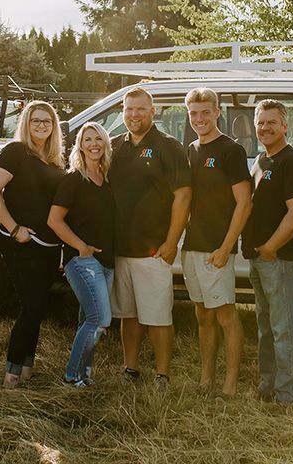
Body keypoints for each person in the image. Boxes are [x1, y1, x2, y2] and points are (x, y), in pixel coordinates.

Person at [108, 87, 191, 386]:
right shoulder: (115, 146)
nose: (134, 115)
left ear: (153, 111)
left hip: (155, 250)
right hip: (121, 249)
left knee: (158, 317)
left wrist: (172, 242)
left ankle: (162, 374)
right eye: (129, 109)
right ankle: (130, 368)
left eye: (141, 109)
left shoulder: (168, 146)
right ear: (123, 111)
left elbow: (183, 196)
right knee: (128, 316)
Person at [0, 101, 66, 387]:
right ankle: (11, 375)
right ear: (26, 124)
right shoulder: (16, 151)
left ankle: (27, 366)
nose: (41, 125)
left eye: (47, 121)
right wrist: (14, 227)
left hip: (50, 245)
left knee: (39, 306)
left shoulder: (54, 160)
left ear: (54, 126)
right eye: (35, 120)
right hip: (22, 242)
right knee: (30, 306)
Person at [181, 87, 251, 398]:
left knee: (225, 314)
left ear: (217, 112)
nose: (199, 119)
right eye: (194, 113)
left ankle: (230, 385)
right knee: (202, 314)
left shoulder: (231, 150)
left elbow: (244, 204)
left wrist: (225, 248)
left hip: (216, 249)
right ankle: (205, 380)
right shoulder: (192, 149)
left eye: (205, 112)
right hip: (193, 246)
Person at [242, 99, 293, 405]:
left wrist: (270, 247)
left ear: (285, 126)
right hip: (259, 258)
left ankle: (291, 394)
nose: (265, 128)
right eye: (260, 122)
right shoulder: (262, 160)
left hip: (279, 259)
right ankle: (269, 384)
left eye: (271, 122)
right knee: (266, 327)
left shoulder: (291, 162)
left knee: (285, 328)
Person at [48, 122, 116, 387]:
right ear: (79, 145)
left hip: (108, 260)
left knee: (88, 320)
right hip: (83, 261)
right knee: (100, 319)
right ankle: (71, 375)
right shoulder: (73, 179)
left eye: (98, 139)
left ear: (106, 144)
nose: (93, 144)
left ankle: (84, 376)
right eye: (87, 139)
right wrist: (81, 247)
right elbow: (54, 220)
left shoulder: (108, 179)